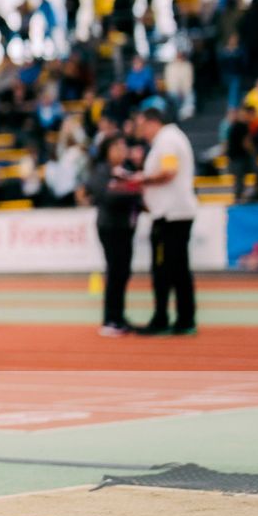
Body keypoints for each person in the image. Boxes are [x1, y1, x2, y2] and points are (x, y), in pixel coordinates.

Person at [130, 98, 198, 336]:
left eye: (141, 125)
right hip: (174, 213)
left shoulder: (167, 140)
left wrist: (142, 179)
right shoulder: (169, 139)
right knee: (178, 268)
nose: (140, 131)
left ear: (152, 123)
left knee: (164, 269)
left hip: (171, 216)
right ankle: (184, 319)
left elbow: (169, 171)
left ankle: (164, 318)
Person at [86, 136, 143, 337]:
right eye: (116, 147)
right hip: (110, 227)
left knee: (123, 272)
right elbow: (106, 195)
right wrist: (133, 189)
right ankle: (110, 318)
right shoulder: (102, 170)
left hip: (125, 227)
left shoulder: (125, 171)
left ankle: (118, 315)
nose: (121, 150)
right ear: (107, 150)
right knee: (115, 272)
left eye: (123, 146)